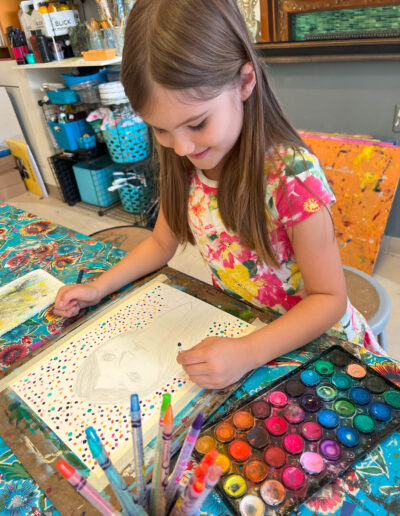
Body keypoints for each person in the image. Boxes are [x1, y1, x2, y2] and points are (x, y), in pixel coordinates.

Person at [55, 0, 383, 389]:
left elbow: (328, 299)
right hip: (245, 333)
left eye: (197, 124)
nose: (181, 148)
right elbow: (162, 241)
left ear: (244, 82)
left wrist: (248, 351)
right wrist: (98, 286)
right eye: (160, 129)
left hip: (320, 352)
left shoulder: (291, 178)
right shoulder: (184, 160)